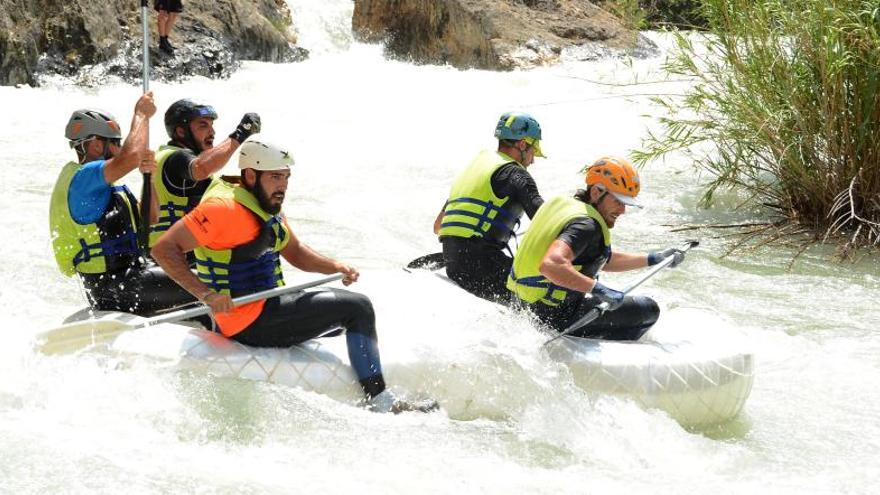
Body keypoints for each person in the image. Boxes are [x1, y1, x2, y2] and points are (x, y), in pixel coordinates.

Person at [152, 139, 438, 413]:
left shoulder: (264, 202)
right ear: (250, 175)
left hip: (272, 302)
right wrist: (206, 294)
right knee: (357, 308)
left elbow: (296, 252)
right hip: (249, 320)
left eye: (286, 178)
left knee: (340, 320)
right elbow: (164, 249)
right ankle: (380, 401)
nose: (283, 186)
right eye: (276, 177)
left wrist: (334, 266)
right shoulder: (222, 209)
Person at [507, 157, 688, 341]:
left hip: (523, 308)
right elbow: (551, 265)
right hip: (555, 318)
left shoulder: (565, 205)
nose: (623, 210)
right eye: (618, 201)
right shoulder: (587, 225)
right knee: (648, 309)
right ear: (596, 193)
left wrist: (653, 259)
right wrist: (599, 289)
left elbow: (598, 258)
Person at [50, 92, 196, 314]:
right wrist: (141, 115)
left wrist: (150, 178)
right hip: (116, 288)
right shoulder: (81, 179)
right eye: (116, 143)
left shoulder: (103, 187)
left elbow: (151, 217)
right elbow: (131, 155)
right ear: (97, 145)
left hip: (130, 275)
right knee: (207, 280)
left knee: (197, 266)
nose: (120, 149)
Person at [433, 112, 546, 303]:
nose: (533, 160)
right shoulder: (516, 174)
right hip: (481, 266)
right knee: (550, 287)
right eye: (533, 151)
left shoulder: (475, 168)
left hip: (452, 261)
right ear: (522, 144)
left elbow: (438, 226)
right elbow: (548, 221)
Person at [149, 99, 260, 248]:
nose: (212, 132)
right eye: (203, 125)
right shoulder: (176, 158)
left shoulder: (168, 156)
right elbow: (202, 168)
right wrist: (241, 133)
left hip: (174, 252)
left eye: (211, 125)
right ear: (181, 131)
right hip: (173, 255)